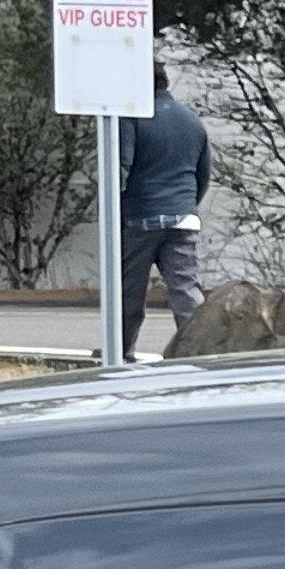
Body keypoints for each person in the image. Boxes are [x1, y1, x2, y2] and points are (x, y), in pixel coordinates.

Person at [115, 63, 214, 353]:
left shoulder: (132, 119)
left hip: (141, 218)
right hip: (183, 217)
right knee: (185, 289)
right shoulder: (192, 120)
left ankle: (121, 349)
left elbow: (121, 169)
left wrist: (114, 210)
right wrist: (187, 205)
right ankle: (200, 350)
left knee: (130, 291)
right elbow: (203, 174)